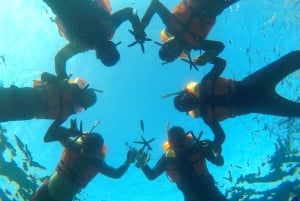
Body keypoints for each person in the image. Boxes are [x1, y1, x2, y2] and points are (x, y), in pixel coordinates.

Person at [173, 51, 300, 154]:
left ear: (187, 93)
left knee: (294, 57)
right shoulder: (207, 116)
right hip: (261, 102)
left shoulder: (205, 84)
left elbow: (221, 63)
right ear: (189, 111)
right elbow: (220, 137)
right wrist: (213, 145)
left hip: (256, 87)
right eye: (186, 106)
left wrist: (207, 57)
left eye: (184, 99)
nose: (188, 102)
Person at [32, 119, 137, 201]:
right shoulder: (73, 146)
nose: (88, 150)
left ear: (97, 151)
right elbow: (48, 137)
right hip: (45, 193)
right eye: (87, 145)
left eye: (92, 148)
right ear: (83, 142)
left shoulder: (96, 163)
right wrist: (69, 132)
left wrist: (128, 161)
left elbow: (116, 174)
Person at [43, 0, 145, 80]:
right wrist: (137, 28)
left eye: (105, 53)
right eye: (108, 51)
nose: (105, 50)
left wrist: (138, 29)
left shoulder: (108, 27)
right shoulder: (85, 41)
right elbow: (60, 58)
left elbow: (130, 11)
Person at [135, 126, 227, 201]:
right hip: (200, 191)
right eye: (175, 138)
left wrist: (217, 152)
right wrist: (142, 163)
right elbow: (151, 176)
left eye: (179, 137)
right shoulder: (167, 158)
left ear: (185, 136)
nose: (178, 140)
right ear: (170, 142)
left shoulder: (199, 147)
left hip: (203, 190)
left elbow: (219, 162)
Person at [136, 0, 239, 66]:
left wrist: (142, 25)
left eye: (166, 46)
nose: (171, 47)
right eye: (171, 51)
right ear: (178, 54)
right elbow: (219, 46)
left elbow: (155, 3)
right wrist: (206, 57)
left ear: (166, 41)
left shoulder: (172, 25)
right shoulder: (194, 43)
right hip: (216, 6)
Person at [0, 72, 97, 122]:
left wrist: (59, 82)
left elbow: (44, 75)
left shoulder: (67, 88)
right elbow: (49, 137)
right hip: (26, 109)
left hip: (26, 99)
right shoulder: (67, 88)